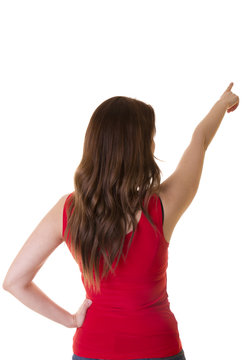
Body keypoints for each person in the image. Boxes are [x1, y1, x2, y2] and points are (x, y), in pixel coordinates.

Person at [2, 83, 239, 360]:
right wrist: (223, 103)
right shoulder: (163, 205)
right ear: (139, 150)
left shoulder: (68, 211)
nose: (153, 144)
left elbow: (14, 281)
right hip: (159, 348)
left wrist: (70, 320)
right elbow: (200, 139)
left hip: (93, 348)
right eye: (151, 138)